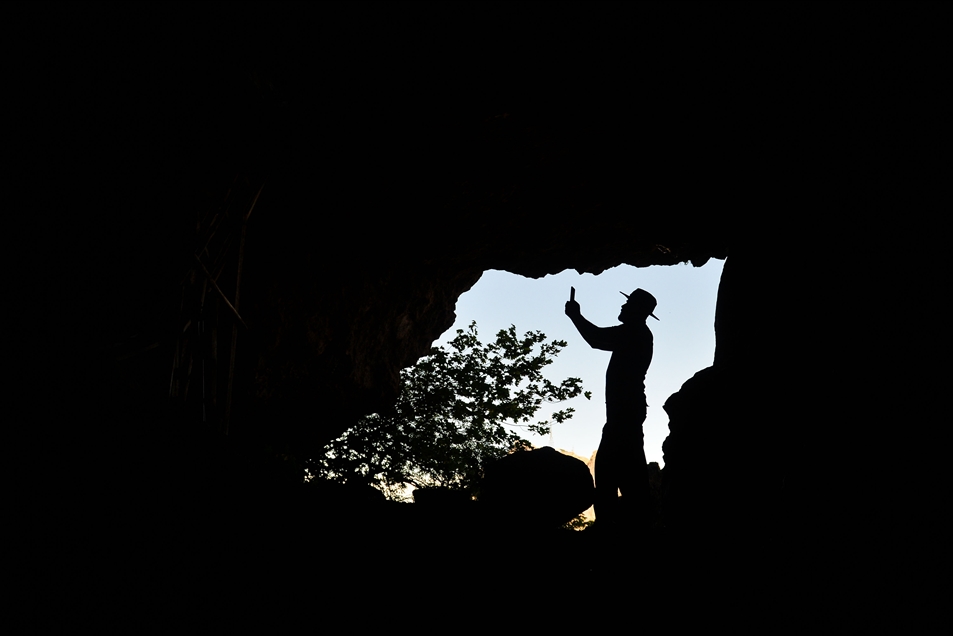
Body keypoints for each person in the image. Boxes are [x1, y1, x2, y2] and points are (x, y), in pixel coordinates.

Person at [565, 288, 657, 530]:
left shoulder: (634, 332)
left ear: (637, 311)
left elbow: (595, 338)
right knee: (628, 470)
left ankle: (611, 530)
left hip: (624, 415)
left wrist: (575, 316)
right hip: (627, 413)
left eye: (628, 305)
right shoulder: (638, 333)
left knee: (609, 471)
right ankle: (636, 526)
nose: (623, 308)